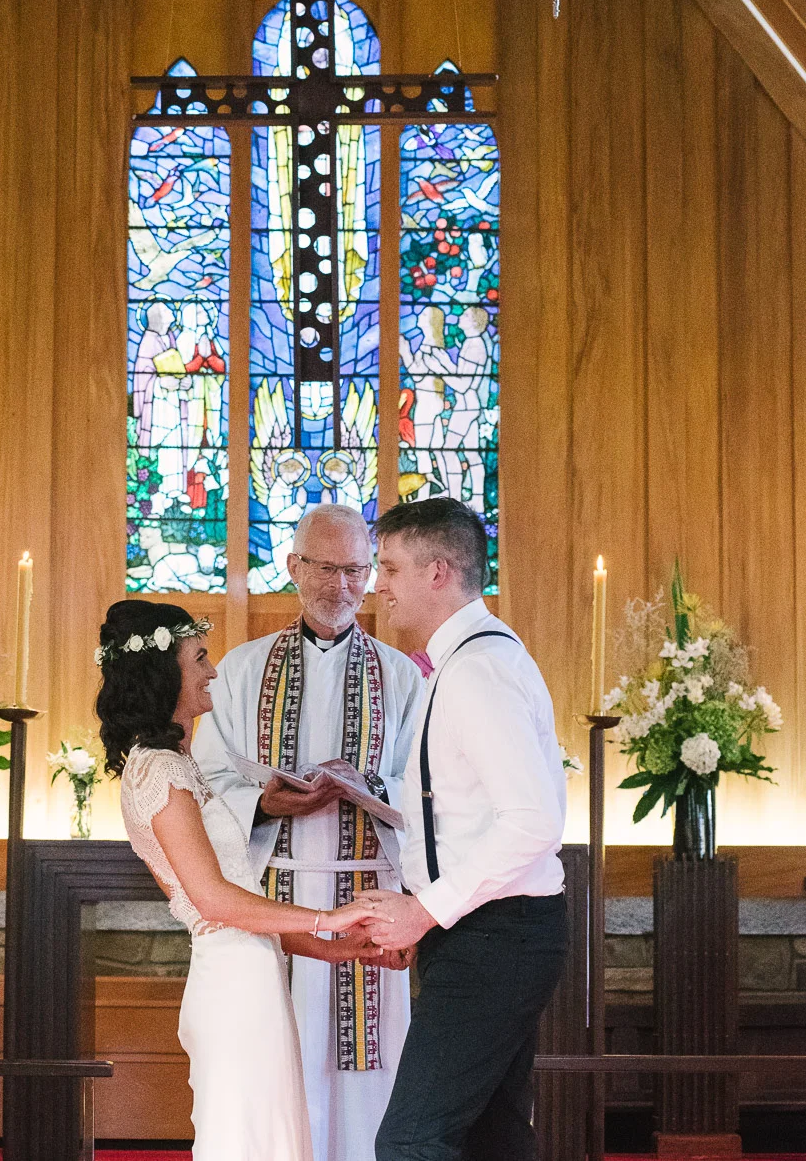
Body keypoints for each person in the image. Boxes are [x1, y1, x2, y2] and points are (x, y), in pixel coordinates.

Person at [96, 597, 378, 1161]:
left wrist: (337, 950)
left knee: (270, 1139)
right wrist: (328, 916)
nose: (212, 671)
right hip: (233, 988)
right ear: (164, 674)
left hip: (249, 973)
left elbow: (235, 909)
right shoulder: (161, 771)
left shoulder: (175, 764)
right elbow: (213, 901)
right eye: (198, 658)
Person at [193, 505, 424, 1161]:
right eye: (326, 568)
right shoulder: (240, 671)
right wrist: (263, 803)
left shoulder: (400, 676)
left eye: (356, 570)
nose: (342, 586)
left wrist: (370, 791)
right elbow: (206, 780)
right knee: (279, 1070)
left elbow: (423, 787)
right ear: (293, 566)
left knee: (365, 1079)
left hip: (369, 905)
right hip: (275, 901)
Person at [359, 497, 568, 1161]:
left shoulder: (477, 668)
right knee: (492, 1137)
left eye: (389, 568)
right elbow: (456, 814)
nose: (378, 586)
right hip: (485, 929)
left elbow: (533, 821)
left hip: (498, 933)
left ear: (438, 572)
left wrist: (423, 910)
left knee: (410, 1139)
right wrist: (422, 912)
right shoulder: (463, 661)